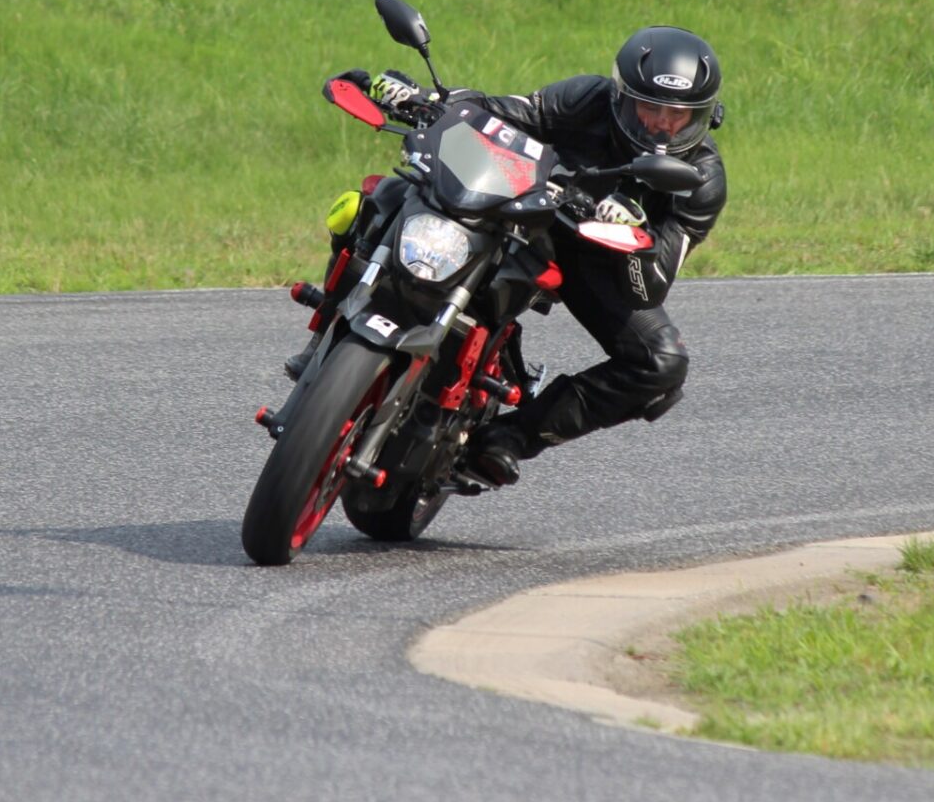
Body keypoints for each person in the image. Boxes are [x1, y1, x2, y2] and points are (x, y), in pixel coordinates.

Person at [306, 26, 728, 491]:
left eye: (678, 115)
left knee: (662, 363)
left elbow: (650, 287)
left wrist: (635, 235)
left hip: (594, 261)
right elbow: (503, 114)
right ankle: (330, 318)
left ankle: (507, 438)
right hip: (520, 205)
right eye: (650, 107)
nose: (662, 124)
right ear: (621, 97)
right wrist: (423, 99)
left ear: (703, 116)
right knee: (380, 196)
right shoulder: (587, 98)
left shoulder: (700, 180)